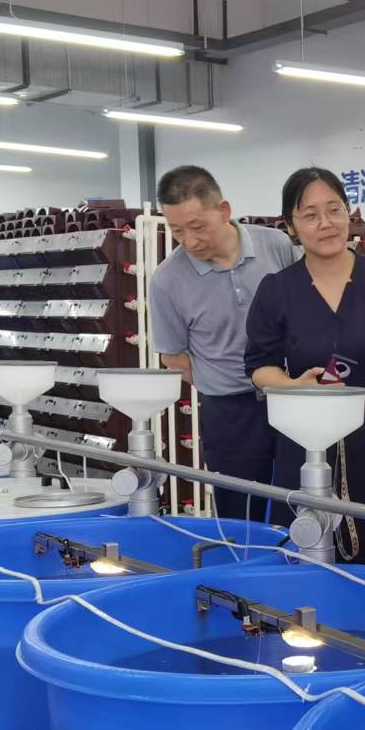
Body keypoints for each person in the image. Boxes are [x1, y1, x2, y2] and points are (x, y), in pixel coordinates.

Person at [244, 166, 365, 565]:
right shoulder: (277, 290)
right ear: (291, 226)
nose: (326, 223)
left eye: (334, 209)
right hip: (308, 441)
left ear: (349, 213)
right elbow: (259, 366)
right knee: (309, 555)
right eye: (310, 214)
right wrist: (293, 385)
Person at [148, 165, 297, 521]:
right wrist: (221, 380)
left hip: (291, 398)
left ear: (224, 210)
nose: (189, 241)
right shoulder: (167, 280)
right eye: (177, 231)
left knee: (298, 505)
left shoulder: (275, 245)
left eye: (197, 226)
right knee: (239, 517)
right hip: (229, 414)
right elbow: (174, 358)